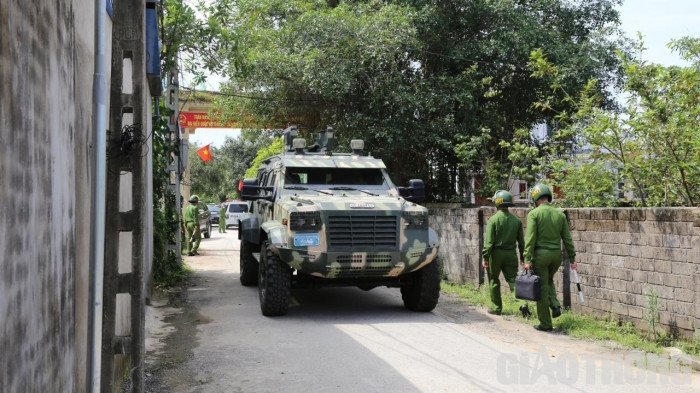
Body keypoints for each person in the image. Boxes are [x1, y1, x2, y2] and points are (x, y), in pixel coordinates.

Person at [523, 184, 577, 332]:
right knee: (549, 281)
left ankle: (545, 323)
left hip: (541, 256)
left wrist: (527, 259)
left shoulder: (534, 214)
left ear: (535, 198)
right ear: (548, 196)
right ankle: (554, 304)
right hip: (556, 256)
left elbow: (530, 238)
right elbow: (567, 239)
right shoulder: (559, 214)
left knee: (541, 287)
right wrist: (572, 258)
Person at [482, 190, 524, 315]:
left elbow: (489, 243)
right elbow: (522, 243)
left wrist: (485, 257)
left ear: (497, 202)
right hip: (511, 254)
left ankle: (496, 308)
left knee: (494, 280)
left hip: (495, 255)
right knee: (512, 279)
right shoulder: (516, 220)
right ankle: (522, 303)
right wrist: (523, 257)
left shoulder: (493, 220)